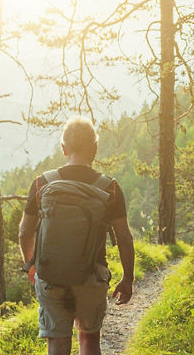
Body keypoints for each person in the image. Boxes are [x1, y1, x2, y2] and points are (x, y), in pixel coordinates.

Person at [19, 117, 135, 355]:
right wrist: (127, 279)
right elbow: (124, 238)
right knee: (89, 339)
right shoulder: (109, 188)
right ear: (95, 148)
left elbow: (24, 231)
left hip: (50, 276)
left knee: (57, 342)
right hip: (91, 277)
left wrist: (31, 264)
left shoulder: (42, 183)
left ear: (64, 149)